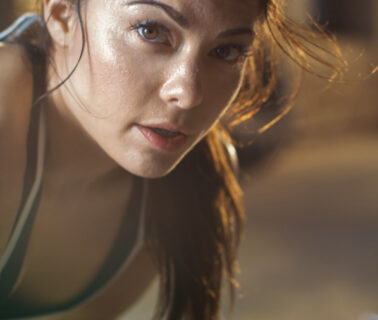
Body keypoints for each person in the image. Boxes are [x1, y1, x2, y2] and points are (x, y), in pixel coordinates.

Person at [0, 0, 342, 318]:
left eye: (226, 51)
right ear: (62, 16)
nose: (189, 94)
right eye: (151, 31)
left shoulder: (192, 189)